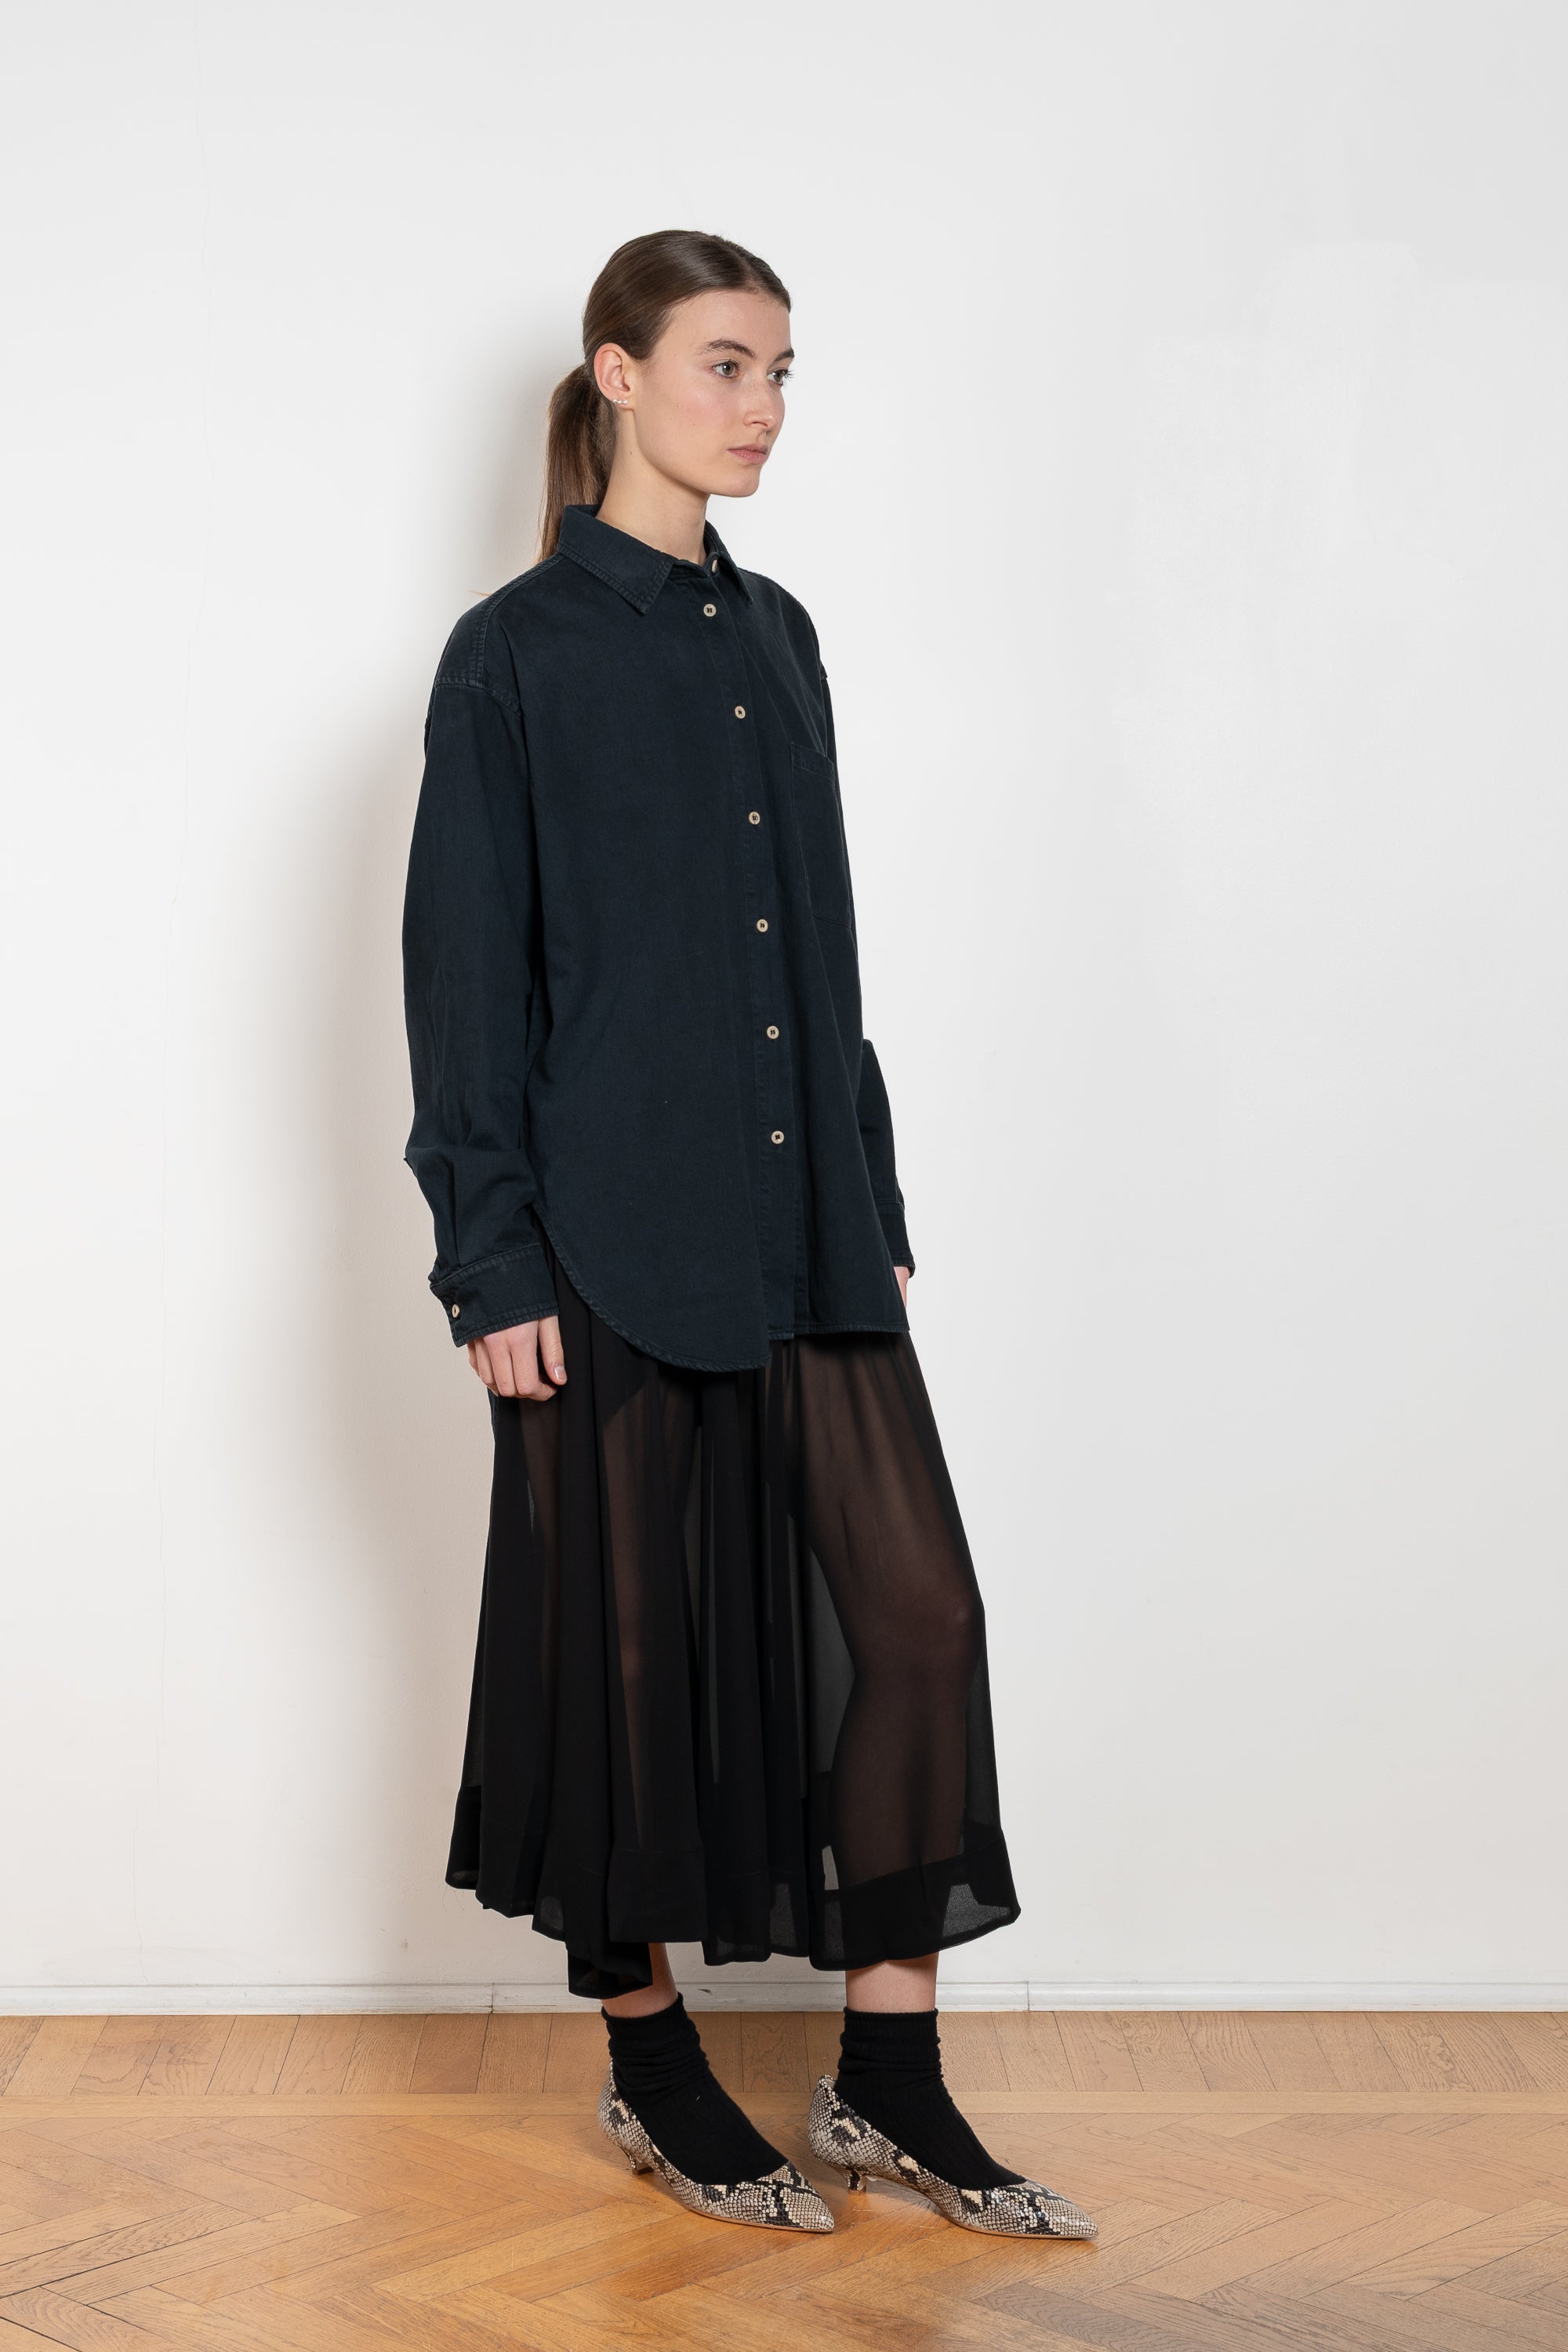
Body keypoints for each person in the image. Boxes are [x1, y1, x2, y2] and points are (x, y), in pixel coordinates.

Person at [401, 229, 1095, 2241]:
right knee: (620, 1670)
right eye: (726, 363)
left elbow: (824, 956)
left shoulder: (779, 634)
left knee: (919, 1620)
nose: (765, 405)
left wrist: (865, 1192)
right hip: (601, 1240)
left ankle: (889, 2081)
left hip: (803, 1222)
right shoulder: (513, 654)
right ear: (618, 375)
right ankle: (652, 2070)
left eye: (783, 370)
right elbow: (467, 983)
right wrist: (490, 1260)